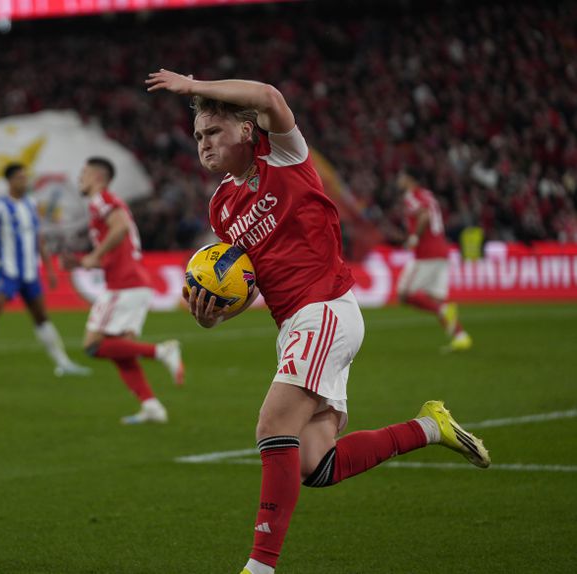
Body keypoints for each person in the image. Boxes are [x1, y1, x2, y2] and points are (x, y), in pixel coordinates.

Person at [146, 70, 489, 574]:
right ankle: (429, 427)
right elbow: (247, 283)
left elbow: (269, 96)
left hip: (325, 308)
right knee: (315, 465)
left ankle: (259, 568)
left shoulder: (282, 156)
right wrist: (214, 315)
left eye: (213, 131)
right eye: (198, 136)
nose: (204, 143)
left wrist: (194, 85)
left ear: (246, 131)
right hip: (294, 324)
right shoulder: (221, 207)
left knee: (271, 424)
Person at [63, 157, 184, 424]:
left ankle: (161, 351)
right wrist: (86, 260)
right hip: (131, 282)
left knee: (93, 345)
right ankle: (151, 406)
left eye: (83, 174)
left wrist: (94, 255)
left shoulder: (102, 199)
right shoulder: (106, 202)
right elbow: (116, 242)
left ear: (97, 177)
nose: (79, 179)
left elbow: (119, 228)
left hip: (124, 284)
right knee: (121, 350)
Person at [0, 163, 90, 383]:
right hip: (7, 273)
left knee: (42, 318)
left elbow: (39, 239)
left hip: (30, 274)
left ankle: (63, 363)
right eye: (19, 178)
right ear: (9, 181)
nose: (24, 181)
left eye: (25, 177)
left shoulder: (31, 204)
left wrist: (49, 269)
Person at [396, 168, 471, 351]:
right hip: (442, 251)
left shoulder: (411, 196)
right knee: (436, 298)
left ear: (410, 179)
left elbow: (424, 215)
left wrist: (414, 237)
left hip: (426, 254)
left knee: (404, 294)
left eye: (403, 176)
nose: (399, 180)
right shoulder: (428, 195)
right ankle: (461, 336)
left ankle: (443, 312)